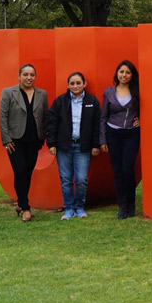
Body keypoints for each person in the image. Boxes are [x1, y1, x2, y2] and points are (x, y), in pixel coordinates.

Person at [46, 72, 102, 220]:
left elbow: (97, 125)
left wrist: (95, 145)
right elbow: (52, 124)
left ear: (84, 84)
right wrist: (51, 143)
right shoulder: (60, 102)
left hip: (82, 147)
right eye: (72, 83)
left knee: (81, 179)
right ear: (68, 85)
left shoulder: (92, 102)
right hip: (64, 146)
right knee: (65, 179)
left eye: (78, 83)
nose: (75, 86)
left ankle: (79, 207)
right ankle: (69, 209)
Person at [0, 63, 48, 223]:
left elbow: (45, 116)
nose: (29, 78)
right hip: (14, 141)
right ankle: (25, 207)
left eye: (32, 75)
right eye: (25, 74)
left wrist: (43, 137)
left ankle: (21, 203)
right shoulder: (8, 93)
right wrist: (6, 139)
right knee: (20, 171)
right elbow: (2, 117)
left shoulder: (42, 94)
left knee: (27, 173)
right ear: (19, 76)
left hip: (34, 140)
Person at [100, 59, 141, 219]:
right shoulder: (109, 92)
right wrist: (103, 140)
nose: (124, 75)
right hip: (113, 134)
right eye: (122, 72)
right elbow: (103, 116)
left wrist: (141, 119)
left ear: (132, 75)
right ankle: (122, 205)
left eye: (128, 72)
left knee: (128, 169)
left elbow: (147, 108)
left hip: (131, 134)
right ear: (117, 74)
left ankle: (131, 203)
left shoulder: (137, 91)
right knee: (117, 171)